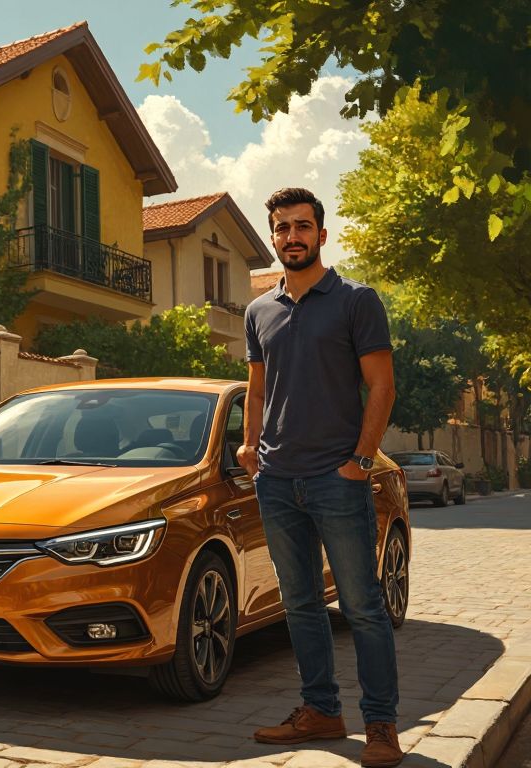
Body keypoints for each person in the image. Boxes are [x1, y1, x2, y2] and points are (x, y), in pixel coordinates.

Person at [237, 188, 401, 767]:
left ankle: (380, 725)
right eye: (282, 229)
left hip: (338, 478)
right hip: (277, 480)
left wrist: (359, 460)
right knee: (300, 605)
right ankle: (320, 711)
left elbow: (381, 386)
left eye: (302, 227)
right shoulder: (259, 311)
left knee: (362, 607)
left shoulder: (357, 300)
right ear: (274, 237)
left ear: (322, 235)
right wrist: (250, 446)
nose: (292, 237)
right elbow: (257, 389)